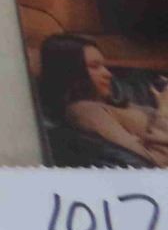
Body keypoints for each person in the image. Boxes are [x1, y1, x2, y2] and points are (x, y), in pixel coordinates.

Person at [37, 35, 168, 167]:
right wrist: (163, 111)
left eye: (104, 66)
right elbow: (149, 162)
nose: (108, 74)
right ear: (71, 71)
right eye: (95, 66)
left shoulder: (116, 104)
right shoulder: (84, 111)